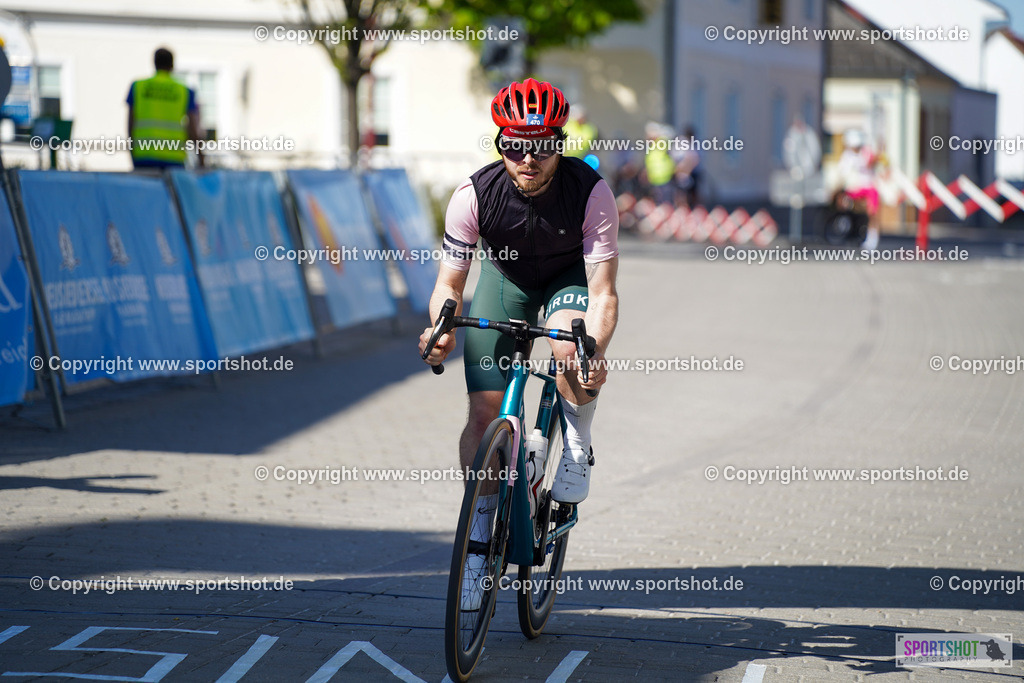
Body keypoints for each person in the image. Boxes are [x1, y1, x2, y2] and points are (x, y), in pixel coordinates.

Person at [418, 79, 619, 609]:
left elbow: (602, 292)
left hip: (566, 281)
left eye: (543, 146)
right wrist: (438, 330)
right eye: (514, 145)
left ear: (560, 141)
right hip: (503, 283)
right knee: (484, 415)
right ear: (499, 142)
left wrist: (594, 348)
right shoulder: (473, 194)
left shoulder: (590, 192)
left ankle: (576, 440)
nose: (529, 158)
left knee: (569, 351)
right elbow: (450, 286)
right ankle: (480, 531)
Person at [126, 47, 204, 169]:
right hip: (173, 156)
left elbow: (130, 124)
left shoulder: (138, 87)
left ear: (154, 63)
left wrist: (132, 152)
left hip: (144, 155)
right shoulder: (184, 91)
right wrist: (201, 159)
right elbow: (193, 129)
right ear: (172, 65)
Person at [836, 128, 879, 249]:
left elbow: (872, 161)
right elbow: (842, 174)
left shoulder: (867, 152)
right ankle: (845, 223)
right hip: (854, 189)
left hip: (869, 187)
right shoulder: (847, 156)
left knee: (872, 212)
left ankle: (872, 239)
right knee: (841, 199)